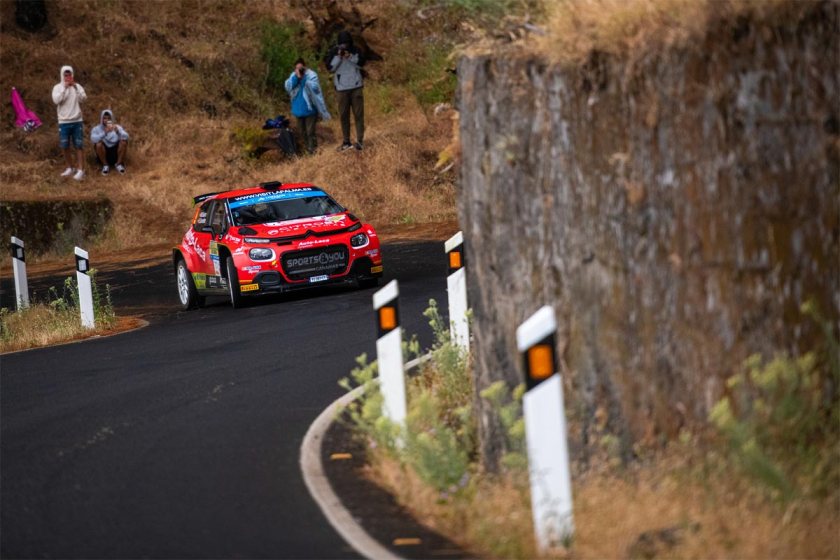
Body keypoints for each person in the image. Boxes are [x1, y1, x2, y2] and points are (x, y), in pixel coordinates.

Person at [324, 30, 366, 151]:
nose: (344, 46)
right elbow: (330, 68)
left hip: (356, 87)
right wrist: (338, 57)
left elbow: (361, 64)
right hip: (341, 89)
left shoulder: (356, 50)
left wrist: (350, 57)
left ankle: (360, 141)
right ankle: (346, 141)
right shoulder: (333, 52)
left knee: (358, 115)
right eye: (342, 44)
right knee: (343, 116)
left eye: (346, 43)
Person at [284, 58, 331, 155]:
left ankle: (313, 151)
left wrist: (303, 78)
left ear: (305, 67)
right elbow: (288, 87)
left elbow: (315, 88)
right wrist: (297, 77)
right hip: (298, 109)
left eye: (301, 68)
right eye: (297, 68)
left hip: (310, 109)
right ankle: (307, 149)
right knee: (302, 132)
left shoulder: (311, 75)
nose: (299, 70)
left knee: (310, 131)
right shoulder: (293, 76)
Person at [51, 65, 87, 181]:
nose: (68, 77)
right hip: (63, 121)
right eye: (65, 75)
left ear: (72, 75)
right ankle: (70, 167)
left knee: (79, 145)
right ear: (62, 75)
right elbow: (56, 100)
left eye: (69, 74)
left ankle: (81, 170)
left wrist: (75, 87)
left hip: (77, 120)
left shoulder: (77, 86)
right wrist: (65, 88)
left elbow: (84, 99)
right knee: (65, 145)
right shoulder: (57, 87)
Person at [90, 109, 130, 175]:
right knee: (98, 144)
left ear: (112, 119)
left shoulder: (117, 127)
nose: (106, 120)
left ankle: (118, 164)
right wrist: (104, 133)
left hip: (116, 152)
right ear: (101, 119)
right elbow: (93, 139)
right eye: (104, 118)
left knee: (123, 142)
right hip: (104, 153)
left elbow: (126, 136)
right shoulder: (96, 129)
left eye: (109, 118)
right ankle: (105, 165)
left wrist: (118, 132)